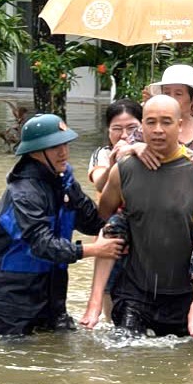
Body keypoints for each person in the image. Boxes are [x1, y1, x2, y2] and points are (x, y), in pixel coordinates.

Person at [94, 95, 193, 337]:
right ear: (141, 127)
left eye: (166, 122)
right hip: (135, 290)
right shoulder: (125, 169)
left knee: (185, 366)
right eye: (150, 122)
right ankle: (94, 305)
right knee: (124, 360)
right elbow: (103, 215)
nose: (158, 130)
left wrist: (186, 239)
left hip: (185, 294)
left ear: (180, 125)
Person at [0, 113, 126, 336]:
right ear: (35, 151)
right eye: (55, 146)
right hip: (11, 298)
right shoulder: (23, 193)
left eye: (65, 144)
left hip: (50, 292)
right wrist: (92, 250)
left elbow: (93, 222)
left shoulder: (62, 180)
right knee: (17, 361)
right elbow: (41, 244)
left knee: (61, 353)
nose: (64, 152)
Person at [78, 99, 142, 327]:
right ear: (108, 131)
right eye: (117, 129)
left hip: (142, 235)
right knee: (110, 295)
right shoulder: (102, 153)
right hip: (110, 237)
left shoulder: (147, 152)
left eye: (132, 128)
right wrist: (117, 162)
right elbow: (99, 183)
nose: (124, 135)